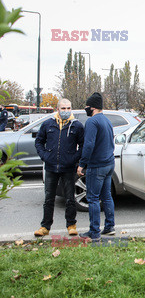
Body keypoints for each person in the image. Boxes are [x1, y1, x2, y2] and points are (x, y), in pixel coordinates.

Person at [34, 99, 84, 237]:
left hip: (68, 168)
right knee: (49, 198)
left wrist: (74, 159)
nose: (66, 111)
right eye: (63, 108)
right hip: (51, 167)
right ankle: (45, 227)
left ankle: (71, 225)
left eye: (68, 108)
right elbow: (39, 141)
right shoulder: (48, 124)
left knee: (70, 198)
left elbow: (83, 145)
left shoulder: (77, 126)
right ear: (57, 109)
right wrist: (45, 156)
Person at [77, 92, 115, 241]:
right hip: (109, 163)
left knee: (92, 198)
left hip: (97, 165)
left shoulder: (92, 122)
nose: (86, 109)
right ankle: (109, 227)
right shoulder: (107, 120)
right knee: (106, 196)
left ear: (92, 107)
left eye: (87, 107)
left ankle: (94, 232)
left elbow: (89, 145)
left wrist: (82, 164)